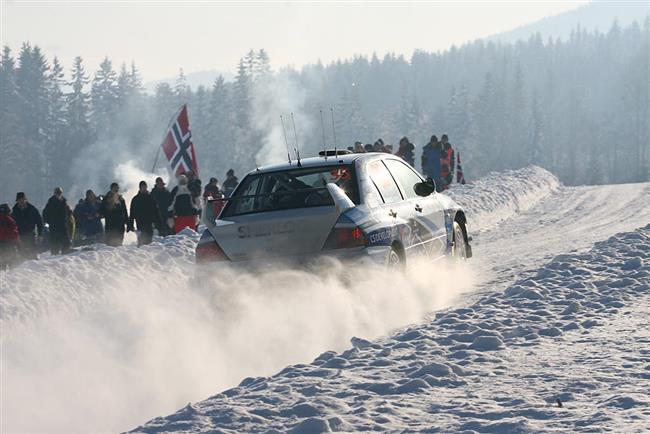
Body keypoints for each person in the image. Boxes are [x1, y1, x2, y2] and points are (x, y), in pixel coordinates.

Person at [12, 192, 43, 260]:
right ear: (17, 201)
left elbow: (40, 222)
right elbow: (11, 224)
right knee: (22, 256)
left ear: (25, 199)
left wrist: (40, 234)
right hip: (19, 236)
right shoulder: (14, 210)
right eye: (19, 200)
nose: (21, 201)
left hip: (30, 235)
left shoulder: (32, 209)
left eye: (22, 199)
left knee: (32, 255)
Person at [42, 187, 73, 255]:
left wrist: (69, 213)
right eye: (57, 193)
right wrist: (48, 222)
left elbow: (68, 212)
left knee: (66, 244)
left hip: (63, 225)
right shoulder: (51, 202)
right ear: (54, 193)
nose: (58, 194)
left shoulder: (64, 202)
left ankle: (66, 258)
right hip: (54, 226)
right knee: (55, 245)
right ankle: (54, 259)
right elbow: (45, 213)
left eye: (60, 193)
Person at [129, 181, 159, 246]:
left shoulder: (150, 197)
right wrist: (130, 225)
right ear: (139, 188)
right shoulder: (136, 199)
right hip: (140, 223)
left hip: (149, 222)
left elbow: (156, 210)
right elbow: (132, 213)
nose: (143, 188)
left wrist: (158, 223)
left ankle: (148, 254)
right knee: (141, 241)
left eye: (144, 187)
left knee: (149, 241)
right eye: (142, 187)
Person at [100, 182, 129, 247]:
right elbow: (102, 211)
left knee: (119, 244)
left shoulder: (121, 200)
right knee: (110, 245)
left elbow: (124, 211)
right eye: (115, 189)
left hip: (120, 225)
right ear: (111, 189)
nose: (116, 190)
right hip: (111, 225)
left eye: (117, 189)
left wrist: (128, 223)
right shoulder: (106, 199)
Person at [0, 203, 20, 270]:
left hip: (1, 243)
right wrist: (17, 242)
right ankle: (11, 275)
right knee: (11, 260)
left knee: (2, 261)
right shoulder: (10, 220)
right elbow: (14, 233)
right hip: (8, 243)